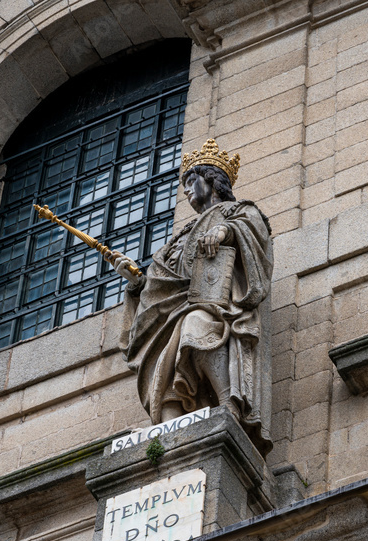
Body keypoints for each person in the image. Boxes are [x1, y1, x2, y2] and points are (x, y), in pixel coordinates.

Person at [114, 139, 274, 456]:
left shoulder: (240, 211)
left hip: (218, 307)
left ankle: (229, 403)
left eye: (191, 183)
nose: (186, 192)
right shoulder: (183, 233)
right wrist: (136, 283)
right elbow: (162, 279)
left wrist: (226, 231)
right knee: (163, 358)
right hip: (168, 308)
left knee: (196, 327)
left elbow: (254, 231)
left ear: (211, 179)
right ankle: (166, 424)